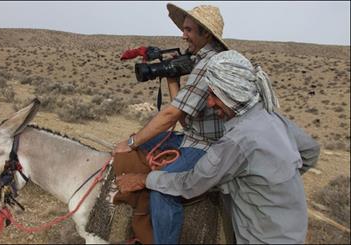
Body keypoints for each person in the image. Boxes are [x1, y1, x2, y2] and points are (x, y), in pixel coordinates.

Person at [116, 50, 321, 244]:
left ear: (232, 95)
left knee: (163, 194)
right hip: (293, 230)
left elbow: (191, 183)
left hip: (261, 238)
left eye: (214, 95)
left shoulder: (238, 140)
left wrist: (144, 179)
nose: (210, 103)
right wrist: (271, 180)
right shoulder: (270, 116)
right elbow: (310, 151)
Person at [113, 3, 230, 244]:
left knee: (162, 189)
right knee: (141, 145)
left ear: (205, 34)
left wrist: (131, 142)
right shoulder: (202, 60)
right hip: (193, 136)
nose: (183, 34)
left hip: (207, 146)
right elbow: (185, 116)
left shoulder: (209, 65)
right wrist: (172, 78)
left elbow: (171, 115)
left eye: (188, 30)